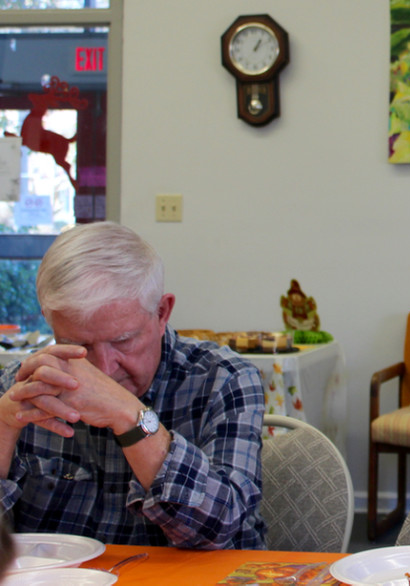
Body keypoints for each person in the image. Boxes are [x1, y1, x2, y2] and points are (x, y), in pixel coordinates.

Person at [0, 222, 266, 549]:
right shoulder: (20, 386)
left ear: (162, 313)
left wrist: (128, 415)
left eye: (123, 341)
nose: (104, 368)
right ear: (48, 319)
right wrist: (3, 429)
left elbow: (217, 532)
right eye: (76, 344)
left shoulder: (223, 380)